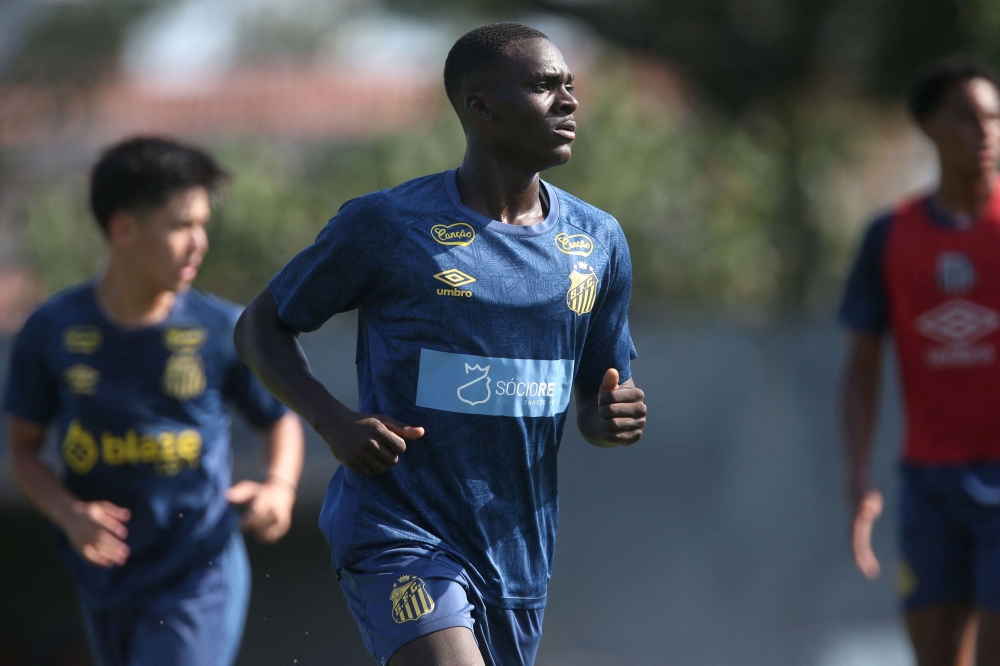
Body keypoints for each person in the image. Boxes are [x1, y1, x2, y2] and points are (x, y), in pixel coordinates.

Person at [234, 21, 648, 666]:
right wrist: (333, 421)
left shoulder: (599, 240)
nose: (568, 101)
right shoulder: (387, 224)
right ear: (479, 107)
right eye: (543, 86)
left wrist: (610, 417)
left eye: (569, 85)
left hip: (517, 547)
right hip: (398, 527)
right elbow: (260, 325)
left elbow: (595, 399)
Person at [4, 137, 305, 666]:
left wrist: (279, 489)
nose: (199, 243)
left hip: (198, 567)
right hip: (106, 573)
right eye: (181, 225)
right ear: (124, 229)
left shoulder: (222, 329)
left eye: (203, 224)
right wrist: (70, 513)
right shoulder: (51, 329)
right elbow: (24, 449)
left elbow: (279, 420)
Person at [839, 56, 1000, 666]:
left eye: (993, 119)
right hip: (929, 485)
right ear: (931, 127)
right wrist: (858, 478)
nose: (984, 133)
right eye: (966, 118)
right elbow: (860, 364)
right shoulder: (890, 236)